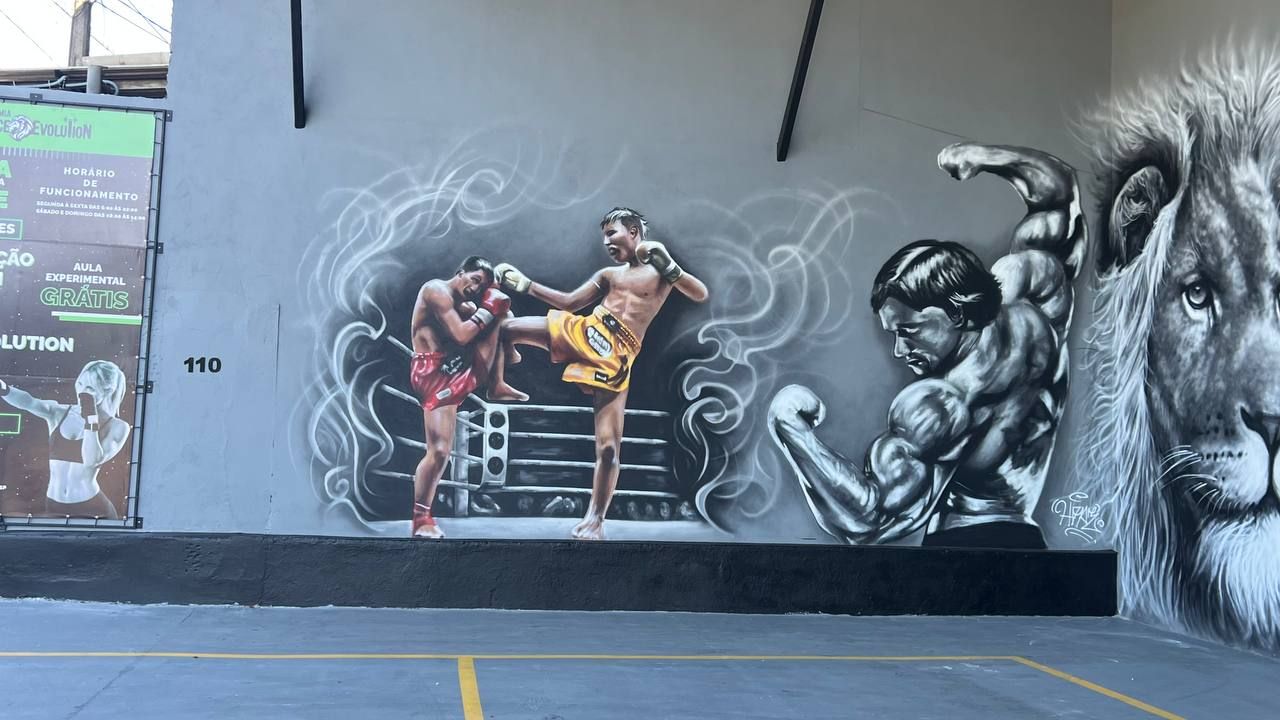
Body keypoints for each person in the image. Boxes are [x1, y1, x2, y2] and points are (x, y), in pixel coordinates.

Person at [768, 143, 1086, 549]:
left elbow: (868, 518)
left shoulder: (942, 405)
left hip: (961, 551)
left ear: (957, 313)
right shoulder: (1037, 296)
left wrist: (789, 426)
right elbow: (1058, 200)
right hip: (1025, 539)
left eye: (909, 330)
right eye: (893, 334)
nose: (900, 351)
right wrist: (984, 157)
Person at [494, 207, 709, 540]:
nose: (607, 241)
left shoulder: (660, 272)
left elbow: (700, 293)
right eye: (604, 236)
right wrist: (527, 285)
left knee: (608, 448)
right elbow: (569, 302)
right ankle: (499, 377)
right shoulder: (609, 275)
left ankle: (595, 519)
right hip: (586, 330)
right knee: (507, 329)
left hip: (616, 356)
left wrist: (670, 267)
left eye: (612, 233)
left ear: (634, 232)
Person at [407, 255, 523, 539]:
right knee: (439, 451)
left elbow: (497, 316)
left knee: (500, 313)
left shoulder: (466, 304)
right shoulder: (436, 290)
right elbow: (460, 335)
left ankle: (497, 383)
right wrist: (490, 306)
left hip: (453, 369)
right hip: (431, 373)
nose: (475, 288)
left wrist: (493, 301)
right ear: (461, 272)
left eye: (482, 286)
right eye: (475, 280)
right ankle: (421, 519)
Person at [0, 360, 131, 519]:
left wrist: (91, 418)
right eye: (80, 384)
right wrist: (4, 389)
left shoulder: (117, 426)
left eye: (90, 388)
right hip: (54, 504)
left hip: (93, 508)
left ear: (107, 391)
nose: (81, 391)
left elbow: (91, 460)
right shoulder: (59, 413)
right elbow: (29, 402)